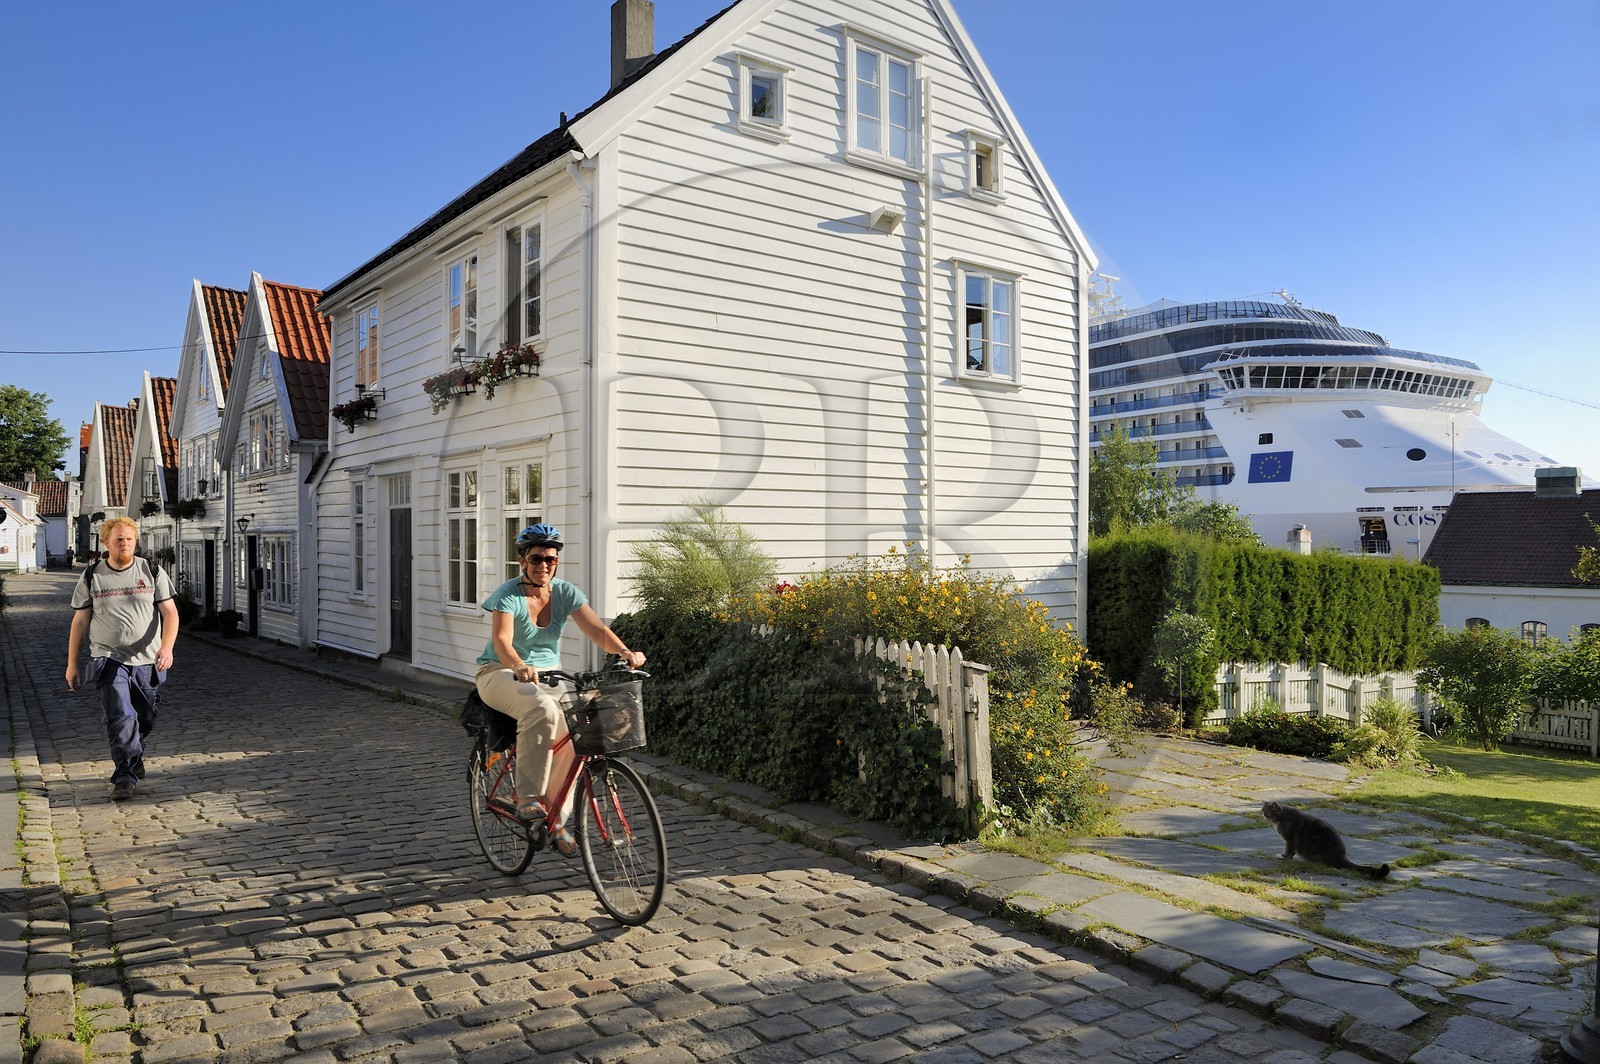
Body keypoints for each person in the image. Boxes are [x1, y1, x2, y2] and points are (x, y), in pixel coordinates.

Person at [474, 523, 645, 854]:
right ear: (521, 559)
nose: (544, 566)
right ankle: (526, 796)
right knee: (542, 709)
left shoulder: (565, 592)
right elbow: (502, 641)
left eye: (551, 560)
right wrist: (519, 665)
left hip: (548, 675)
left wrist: (623, 651)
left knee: (582, 731)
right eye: (536, 558)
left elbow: (596, 629)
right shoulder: (508, 596)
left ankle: (556, 819)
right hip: (499, 672)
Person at [65, 516, 178, 801]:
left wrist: (167, 648)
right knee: (120, 716)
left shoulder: (151, 570)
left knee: (144, 718)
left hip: (147, 660)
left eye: (129, 538)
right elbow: (80, 620)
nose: (124, 543)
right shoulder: (93, 575)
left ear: (135, 541)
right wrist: (72, 663)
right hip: (107, 658)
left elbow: (170, 613)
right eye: (118, 539)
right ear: (106, 542)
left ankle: (134, 753)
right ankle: (124, 776)